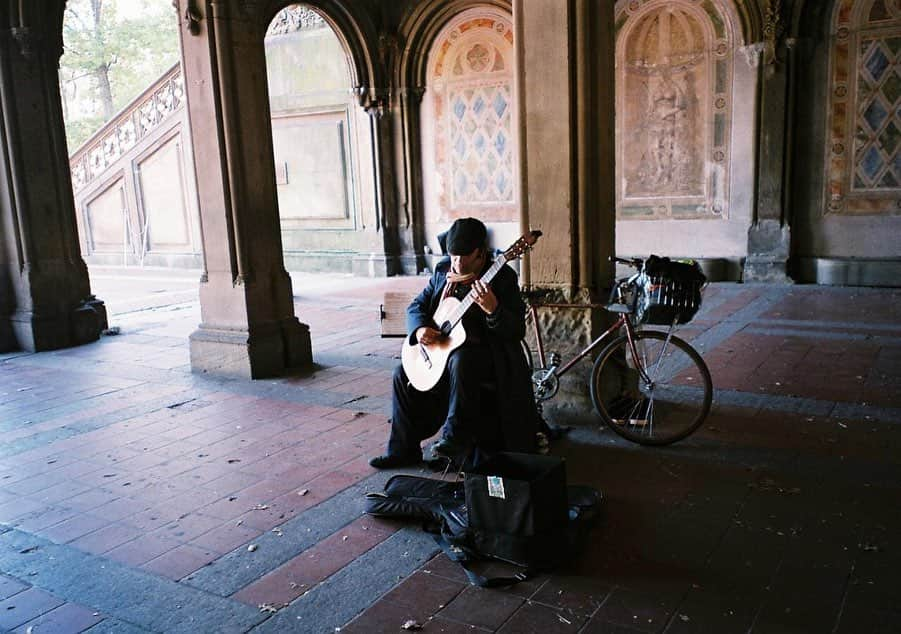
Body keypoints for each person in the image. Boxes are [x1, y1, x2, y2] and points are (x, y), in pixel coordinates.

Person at [369, 217, 538, 469]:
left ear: (481, 253)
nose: (457, 263)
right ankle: (403, 450)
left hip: (488, 360)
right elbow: (417, 305)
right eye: (453, 255)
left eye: (464, 256)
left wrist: (494, 310)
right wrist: (420, 329)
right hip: (443, 356)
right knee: (400, 374)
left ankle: (454, 438)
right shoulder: (443, 271)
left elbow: (516, 331)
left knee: (463, 360)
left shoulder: (502, 278)